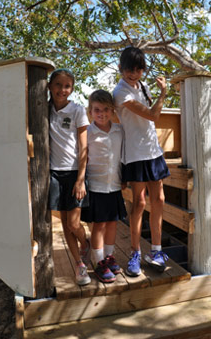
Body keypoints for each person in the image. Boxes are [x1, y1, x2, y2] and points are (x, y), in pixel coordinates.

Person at [113, 47, 170, 277]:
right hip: (135, 154)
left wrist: (156, 93)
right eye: (129, 69)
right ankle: (135, 253)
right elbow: (153, 115)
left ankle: (156, 251)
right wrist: (163, 93)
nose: (133, 74)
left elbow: (150, 120)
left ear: (142, 70)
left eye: (138, 70)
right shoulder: (120, 92)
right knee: (139, 204)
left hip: (153, 151)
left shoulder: (142, 86)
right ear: (121, 68)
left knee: (159, 199)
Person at [48, 68, 91, 286]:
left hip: (75, 172)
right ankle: (79, 265)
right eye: (58, 84)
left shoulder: (77, 110)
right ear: (49, 86)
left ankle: (86, 242)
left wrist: (81, 179)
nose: (62, 90)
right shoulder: (43, 109)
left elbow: (84, 147)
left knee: (74, 223)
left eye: (67, 86)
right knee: (64, 223)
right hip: (54, 172)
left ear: (72, 89)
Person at [82, 89, 127, 283]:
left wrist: (124, 178)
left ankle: (109, 257)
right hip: (96, 185)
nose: (102, 113)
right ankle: (98, 262)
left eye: (106, 109)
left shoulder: (119, 130)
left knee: (112, 222)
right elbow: (82, 157)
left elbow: (123, 156)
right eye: (97, 110)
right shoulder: (88, 132)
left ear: (112, 109)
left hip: (114, 184)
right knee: (99, 224)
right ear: (90, 111)